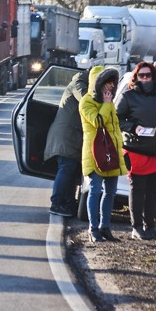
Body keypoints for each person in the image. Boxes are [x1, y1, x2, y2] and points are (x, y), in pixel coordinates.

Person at [116, 62, 156, 241]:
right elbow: (116, 118)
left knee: (152, 192)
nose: (145, 78)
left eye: (148, 75)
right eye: (141, 75)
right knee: (137, 190)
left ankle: (150, 227)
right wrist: (133, 127)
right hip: (136, 150)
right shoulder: (128, 96)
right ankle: (136, 228)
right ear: (136, 77)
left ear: (153, 77)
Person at [79, 65, 127, 243]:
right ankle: (93, 229)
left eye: (113, 83)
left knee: (111, 192)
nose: (112, 86)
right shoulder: (86, 102)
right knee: (95, 190)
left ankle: (105, 227)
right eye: (108, 83)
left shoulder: (109, 101)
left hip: (111, 154)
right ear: (97, 83)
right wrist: (106, 105)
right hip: (95, 154)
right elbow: (98, 122)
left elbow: (114, 128)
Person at [44, 69, 90, 217]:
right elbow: (85, 100)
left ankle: (67, 203)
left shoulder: (81, 82)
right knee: (66, 167)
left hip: (70, 136)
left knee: (70, 169)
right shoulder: (78, 83)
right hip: (66, 136)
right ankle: (57, 203)